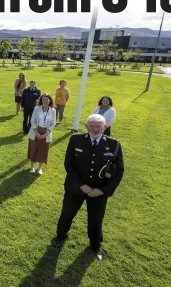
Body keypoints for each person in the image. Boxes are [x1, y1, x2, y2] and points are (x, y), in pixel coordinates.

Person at [51, 114, 124, 261]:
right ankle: (60, 237)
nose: (95, 129)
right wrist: (81, 185)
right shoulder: (76, 140)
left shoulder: (114, 144)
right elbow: (69, 165)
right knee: (67, 213)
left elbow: (119, 171)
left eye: (99, 126)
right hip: (76, 188)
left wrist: (103, 190)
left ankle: (95, 246)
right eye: (92, 126)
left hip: (99, 191)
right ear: (86, 127)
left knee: (96, 220)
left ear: (105, 127)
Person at [27, 94, 57, 175]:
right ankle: (32, 166)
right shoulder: (37, 108)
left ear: (50, 100)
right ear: (41, 100)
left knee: (43, 150)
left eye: (46, 99)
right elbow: (32, 120)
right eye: (43, 99)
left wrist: (45, 134)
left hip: (46, 133)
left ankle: (39, 168)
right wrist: (36, 132)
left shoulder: (53, 111)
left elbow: (54, 123)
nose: (45, 101)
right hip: (35, 131)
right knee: (33, 148)